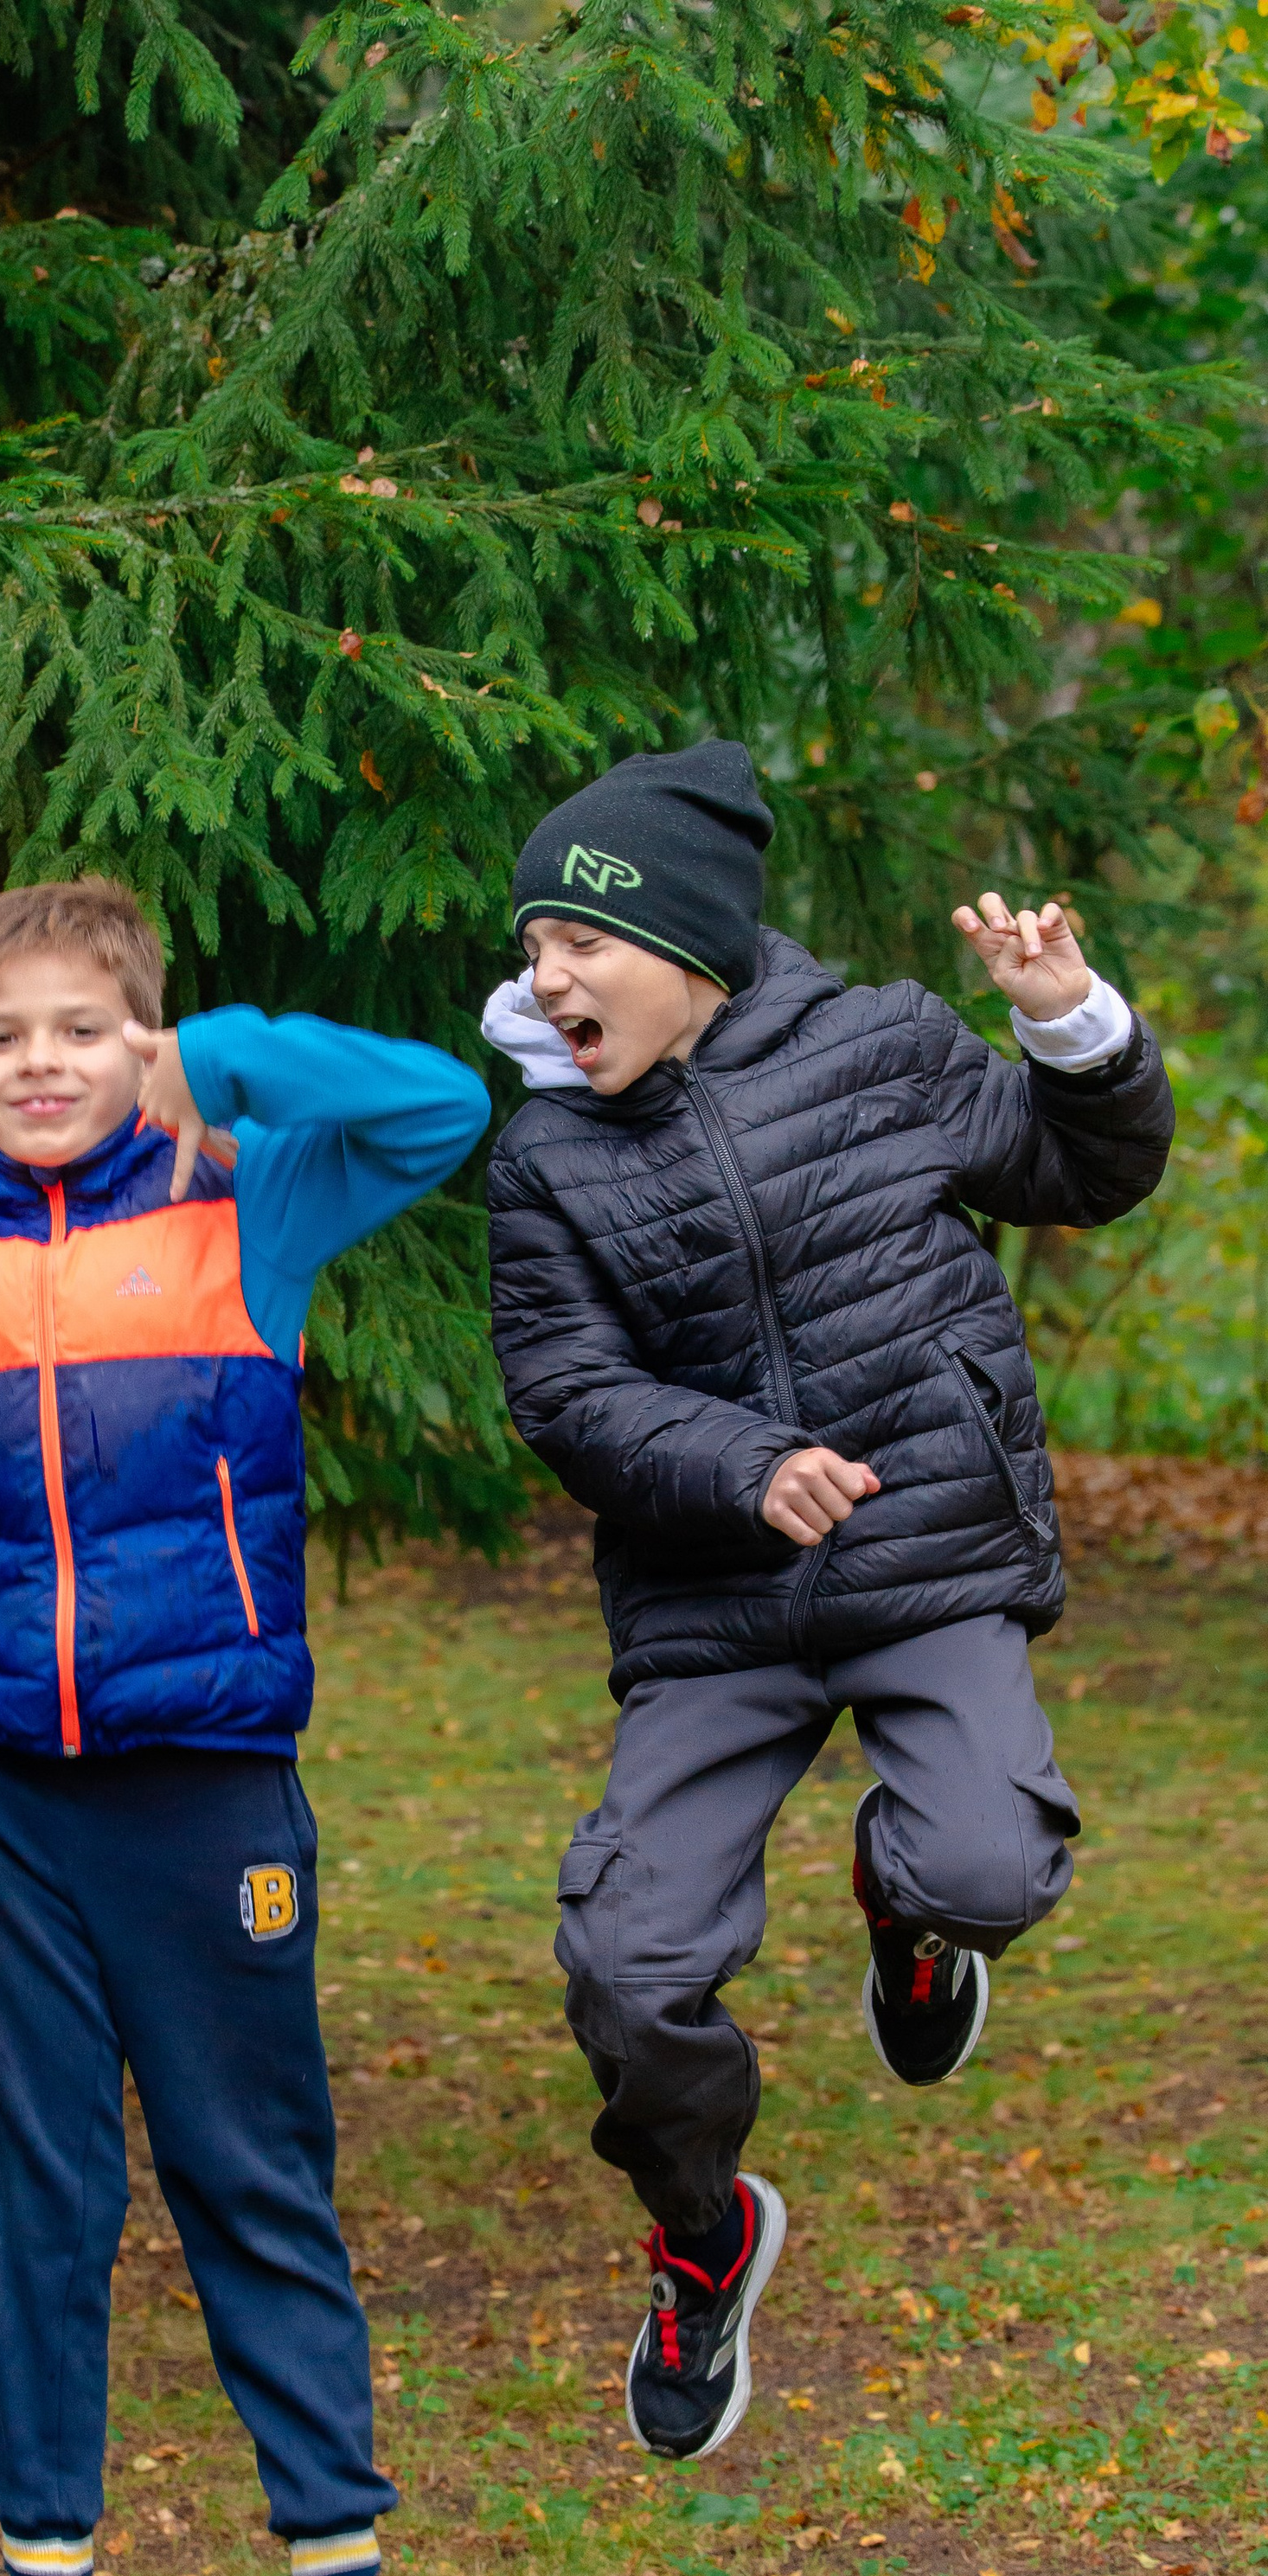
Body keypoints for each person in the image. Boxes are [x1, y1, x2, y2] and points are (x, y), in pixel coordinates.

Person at [0, 878, 488, 2576]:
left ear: (141, 1033)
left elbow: (444, 1104)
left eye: (80, 1028)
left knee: (247, 2183)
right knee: (39, 2204)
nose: (39, 1064)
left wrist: (214, 1061)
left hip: (207, 1794)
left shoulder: (245, 1196)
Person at [483, 741, 1172, 2463]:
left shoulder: (877, 1047)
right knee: (626, 1967)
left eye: (582, 940)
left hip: (924, 1556)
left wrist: (1067, 1022)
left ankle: (903, 1897)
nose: (544, 978)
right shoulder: (547, 1157)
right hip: (716, 1607)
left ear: (693, 947)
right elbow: (563, 1387)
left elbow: (1078, 1170)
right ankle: (702, 2230)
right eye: (532, 947)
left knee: (987, 1867)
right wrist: (735, 1462)